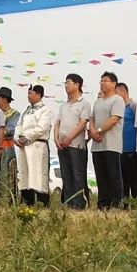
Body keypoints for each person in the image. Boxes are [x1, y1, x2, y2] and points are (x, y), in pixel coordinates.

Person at [54, 73, 91, 209]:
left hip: (77, 145)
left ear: (77, 84)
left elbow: (82, 124)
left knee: (77, 174)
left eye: (68, 82)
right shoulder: (63, 106)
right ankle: (68, 203)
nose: (66, 85)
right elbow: (57, 122)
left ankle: (80, 204)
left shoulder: (84, 104)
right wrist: (56, 138)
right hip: (62, 145)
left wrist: (69, 138)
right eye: (65, 83)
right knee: (66, 175)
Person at [90, 72, 125, 210]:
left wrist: (99, 131)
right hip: (97, 145)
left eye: (105, 80)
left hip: (111, 145)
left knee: (113, 175)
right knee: (101, 176)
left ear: (114, 83)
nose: (102, 83)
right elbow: (91, 118)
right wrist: (93, 132)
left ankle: (116, 203)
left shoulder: (117, 100)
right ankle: (102, 204)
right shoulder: (98, 101)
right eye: (101, 80)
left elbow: (114, 119)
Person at [15, 85, 51, 206]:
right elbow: (18, 126)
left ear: (39, 95)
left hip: (38, 146)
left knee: (38, 174)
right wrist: (17, 138)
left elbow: (41, 128)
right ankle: (26, 201)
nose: (28, 95)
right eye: (28, 93)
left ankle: (42, 202)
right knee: (25, 173)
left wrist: (27, 137)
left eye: (31, 93)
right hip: (24, 147)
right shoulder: (26, 111)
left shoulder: (45, 110)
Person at [115, 82, 137, 200]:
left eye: (116, 93)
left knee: (133, 179)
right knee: (122, 179)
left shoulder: (133, 106)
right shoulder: (117, 108)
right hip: (119, 149)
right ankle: (123, 203)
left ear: (123, 92)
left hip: (131, 149)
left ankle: (135, 204)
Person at [0, 87, 18, 202]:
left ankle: (8, 198)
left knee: (7, 172)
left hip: (7, 147)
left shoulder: (14, 114)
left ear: (5, 99)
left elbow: (12, 130)